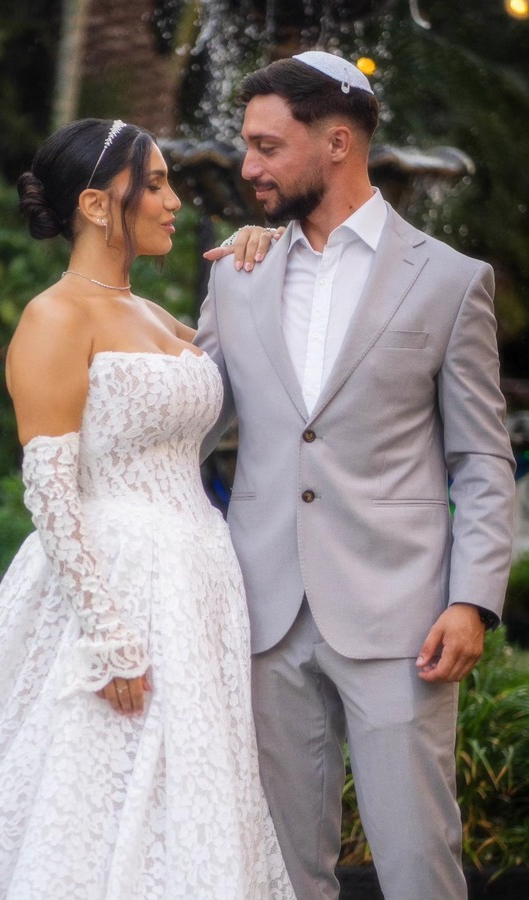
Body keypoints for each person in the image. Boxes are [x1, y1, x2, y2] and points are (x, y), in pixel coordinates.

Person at [0, 118, 295, 899]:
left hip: (199, 582)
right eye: (155, 185)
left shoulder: (158, 317)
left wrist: (256, 257)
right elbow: (51, 489)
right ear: (97, 205)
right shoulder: (55, 317)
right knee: (85, 787)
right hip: (114, 588)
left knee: (190, 789)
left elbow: (234, 378)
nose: (174, 201)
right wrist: (106, 634)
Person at [196, 51, 515, 900]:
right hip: (265, 614)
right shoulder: (236, 274)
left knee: (417, 864)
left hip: (403, 621)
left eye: (267, 147)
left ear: (337, 142)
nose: (248, 167)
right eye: (246, 146)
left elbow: (482, 458)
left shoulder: (450, 281)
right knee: (281, 872)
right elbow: (189, 422)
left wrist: (473, 599)